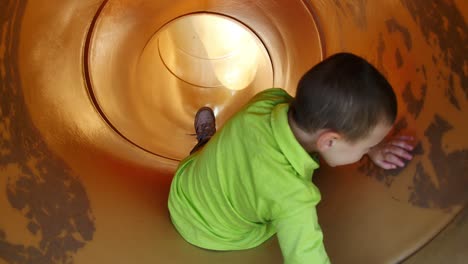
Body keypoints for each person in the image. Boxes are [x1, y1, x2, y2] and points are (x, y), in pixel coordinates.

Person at [168, 52, 414, 263]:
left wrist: (370, 147)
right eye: (367, 145)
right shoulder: (292, 197)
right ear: (328, 141)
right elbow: (306, 257)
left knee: (231, 149)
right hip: (215, 233)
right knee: (272, 212)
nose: (368, 149)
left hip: (184, 186)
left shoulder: (269, 99)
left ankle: (205, 143)